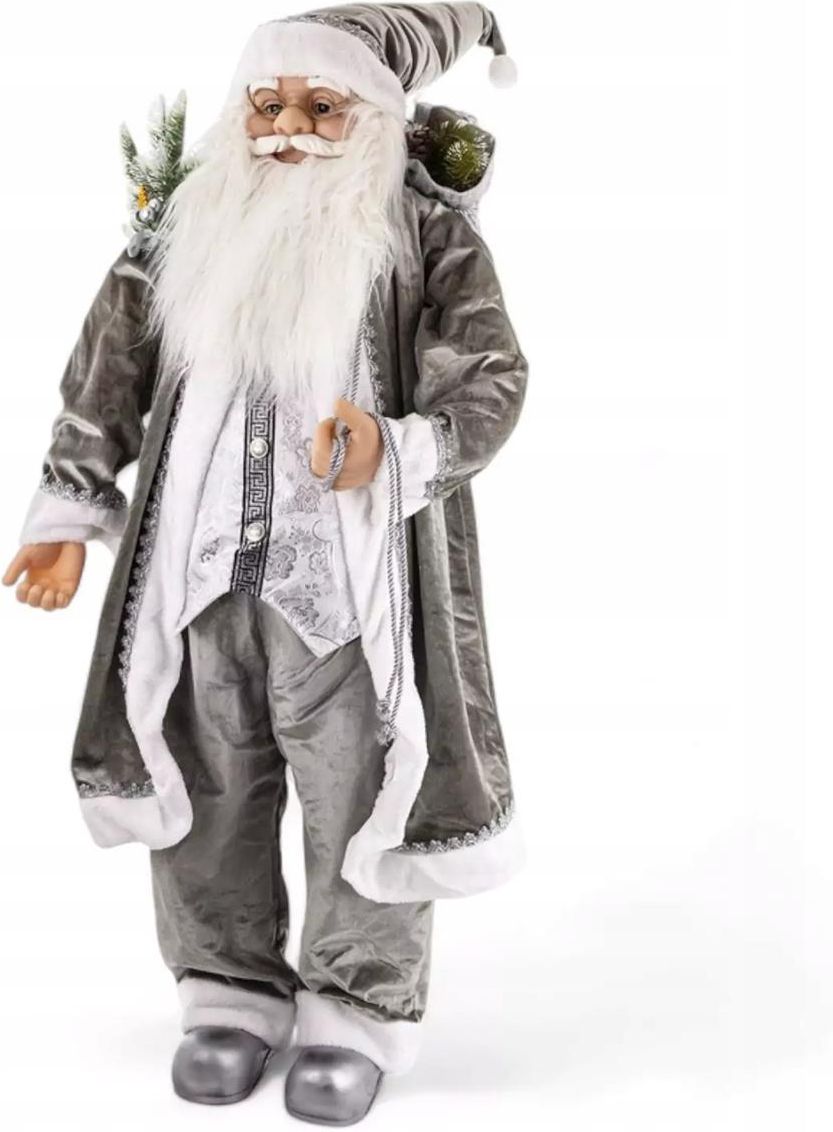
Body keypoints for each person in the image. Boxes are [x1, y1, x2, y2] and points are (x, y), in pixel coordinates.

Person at [3, 3, 528, 1124]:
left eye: (320, 107)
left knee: (357, 795)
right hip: (196, 586)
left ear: (374, 120)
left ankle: (355, 1008)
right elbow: (106, 370)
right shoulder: (187, 228)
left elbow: (488, 375)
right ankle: (226, 990)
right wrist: (68, 511)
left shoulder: (421, 236)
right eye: (267, 104)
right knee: (205, 791)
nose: (286, 127)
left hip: (346, 591)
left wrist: (397, 445)